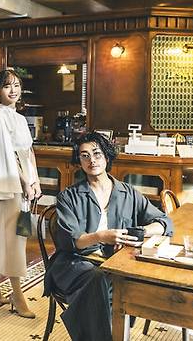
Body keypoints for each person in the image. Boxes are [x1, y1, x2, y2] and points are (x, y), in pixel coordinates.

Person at [44, 131, 174, 341]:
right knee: (103, 280)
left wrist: (141, 232)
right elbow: (71, 241)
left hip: (115, 263)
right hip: (74, 264)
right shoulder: (68, 196)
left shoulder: (128, 193)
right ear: (79, 161)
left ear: (107, 156)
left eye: (97, 153)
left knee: (123, 280)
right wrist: (101, 237)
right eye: (84, 155)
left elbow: (164, 222)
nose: (91, 160)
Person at [0, 69, 41, 319]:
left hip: (25, 184)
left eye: (16, 85)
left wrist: (35, 181)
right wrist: (25, 182)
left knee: (11, 235)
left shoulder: (18, 117)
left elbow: (28, 151)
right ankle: (17, 295)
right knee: (15, 237)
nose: (13, 90)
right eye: (7, 86)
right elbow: (6, 155)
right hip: (11, 185)